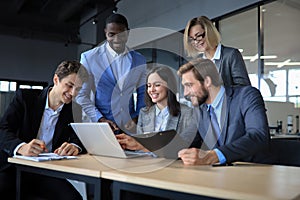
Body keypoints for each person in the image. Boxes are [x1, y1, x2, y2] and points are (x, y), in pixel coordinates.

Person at [0, 60, 88, 200]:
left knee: (73, 198)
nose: (72, 93)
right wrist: (21, 147)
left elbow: (80, 137)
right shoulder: (25, 97)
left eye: (78, 89)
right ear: (56, 79)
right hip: (14, 168)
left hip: (46, 171)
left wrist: (75, 146)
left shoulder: (74, 109)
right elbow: (3, 129)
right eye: (69, 86)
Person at [177, 58, 270, 165]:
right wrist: (157, 145)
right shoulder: (200, 111)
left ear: (207, 81)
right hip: (221, 175)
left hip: (255, 171)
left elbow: (258, 136)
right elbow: (184, 140)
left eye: (189, 85)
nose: (185, 93)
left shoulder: (246, 96)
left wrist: (214, 156)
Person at [76, 13, 147, 134]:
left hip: (130, 128)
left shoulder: (139, 60)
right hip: (101, 128)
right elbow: (81, 95)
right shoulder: (89, 58)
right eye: (111, 35)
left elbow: (142, 93)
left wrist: (136, 118)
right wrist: (100, 119)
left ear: (128, 33)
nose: (117, 39)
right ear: (105, 33)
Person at [117, 65, 199, 153]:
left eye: (157, 85)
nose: (151, 90)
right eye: (149, 86)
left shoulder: (187, 113)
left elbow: (183, 146)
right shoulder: (144, 113)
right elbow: (139, 149)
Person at [183, 15, 251, 87]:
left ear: (209, 32)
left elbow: (244, 89)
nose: (196, 42)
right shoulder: (198, 63)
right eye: (192, 39)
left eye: (199, 36)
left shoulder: (230, 55)